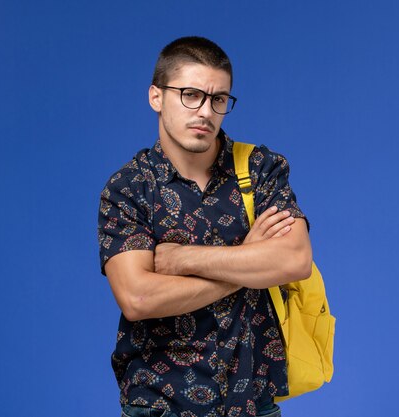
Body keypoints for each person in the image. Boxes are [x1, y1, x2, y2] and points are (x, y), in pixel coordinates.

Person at [98, 36, 312, 417]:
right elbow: (138, 299)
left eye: (218, 99)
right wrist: (250, 264)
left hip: (253, 402)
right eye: (190, 95)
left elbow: (294, 260)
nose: (206, 111)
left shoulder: (260, 170)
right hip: (158, 404)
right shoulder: (129, 188)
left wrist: (181, 259)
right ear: (156, 97)